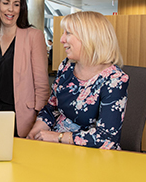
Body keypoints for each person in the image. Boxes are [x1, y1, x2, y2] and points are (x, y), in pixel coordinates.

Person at [27, 11, 129, 150]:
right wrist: (35, 132)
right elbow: (52, 108)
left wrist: (59, 137)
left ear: (89, 37)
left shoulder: (115, 79)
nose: (62, 39)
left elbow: (106, 137)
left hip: (89, 154)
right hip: (56, 146)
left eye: (68, 33)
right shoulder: (66, 66)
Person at [0, 0, 50, 138]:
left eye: (16, 4)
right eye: (6, 3)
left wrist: (39, 120)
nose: (11, 9)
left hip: (21, 118)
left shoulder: (33, 36)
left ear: (21, 8)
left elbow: (42, 85)